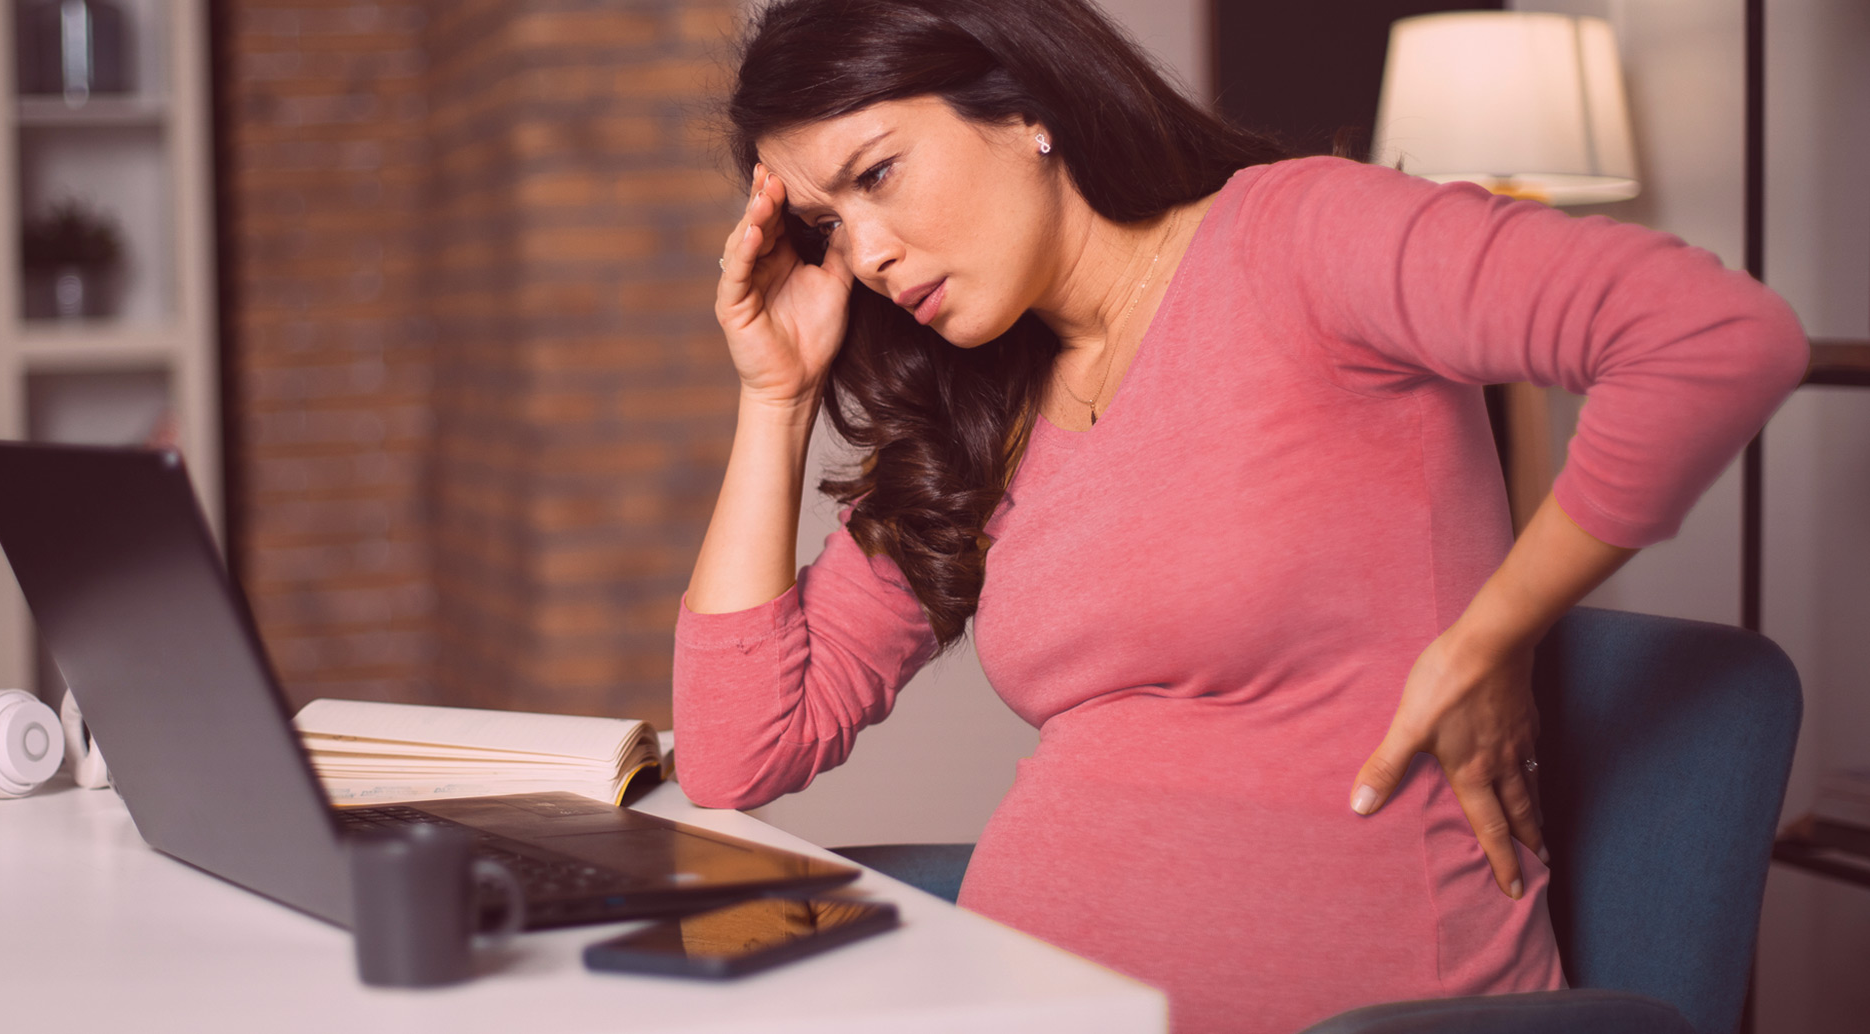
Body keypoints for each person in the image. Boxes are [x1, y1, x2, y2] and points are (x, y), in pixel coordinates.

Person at [670, 1, 1809, 1030]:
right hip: (1027, 1006)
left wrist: (1490, 634)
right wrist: (777, 397)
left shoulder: (1298, 235)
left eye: (876, 175)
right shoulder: (985, 408)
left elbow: (1711, 337)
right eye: (824, 225)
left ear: (1022, 105)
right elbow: (738, 750)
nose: (866, 254)